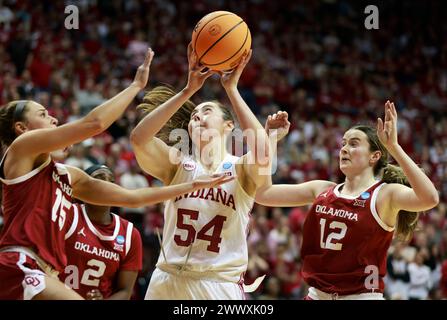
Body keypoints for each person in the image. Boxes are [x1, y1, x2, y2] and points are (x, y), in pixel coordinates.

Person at [0, 48, 233, 300]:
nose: (54, 119)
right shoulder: (20, 149)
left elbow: (133, 199)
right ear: (22, 128)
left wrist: (190, 185)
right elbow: (94, 124)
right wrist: (135, 86)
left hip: (45, 273)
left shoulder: (68, 175)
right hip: (19, 264)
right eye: (43, 114)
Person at [256, 101, 439, 299]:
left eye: (353, 144)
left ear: (374, 156)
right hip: (317, 295)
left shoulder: (385, 195)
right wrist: (270, 140)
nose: (343, 149)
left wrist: (394, 147)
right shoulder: (322, 189)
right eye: (343, 143)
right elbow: (263, 193)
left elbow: (429, 198)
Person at [130, 44, 271, 300]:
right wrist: (188, 90)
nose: (197, 117)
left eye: (206, 111)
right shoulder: (177, 163)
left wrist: (232, 89)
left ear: (229, 125)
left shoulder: (240, 168)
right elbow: (139, 139)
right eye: (194, 115)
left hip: (217, 283)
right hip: (166, 279)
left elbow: (263, 151)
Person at [61, 164, 142, 300]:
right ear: (83, 190)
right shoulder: (68, 213)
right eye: (98, 182)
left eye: (110, 183)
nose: (105, 188)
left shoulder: (130, 234)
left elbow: (125, 291)